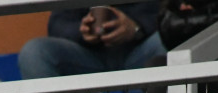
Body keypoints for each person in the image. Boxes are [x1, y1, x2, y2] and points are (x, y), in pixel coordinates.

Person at [18, 4, 166, 80]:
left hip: (141, 51)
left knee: (168, 43)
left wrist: (135, 27)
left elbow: (169, 12)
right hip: (87, 58)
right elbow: (58, 24)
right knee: (34, 52)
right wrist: (82, 30)